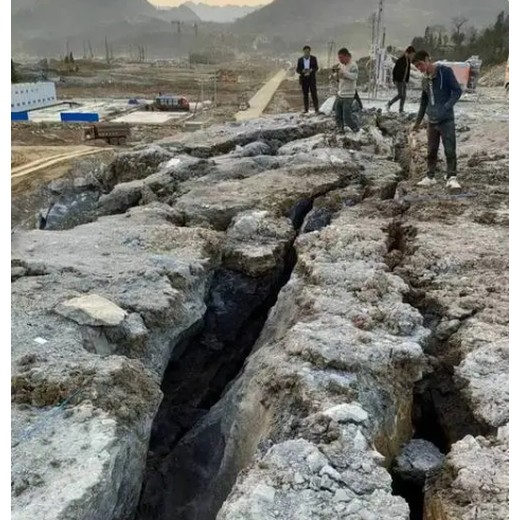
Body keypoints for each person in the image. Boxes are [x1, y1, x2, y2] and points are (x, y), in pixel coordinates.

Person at [411, 50, 463, 189]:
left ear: (428, 59)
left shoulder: (444, 72)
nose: (420, 68)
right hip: (432, 121)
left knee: (450, 149)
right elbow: (424, 102)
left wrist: (446, 107)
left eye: (420, 64)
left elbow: (457, 91)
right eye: (417, 67)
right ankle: (430, 176)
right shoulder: (425, 80)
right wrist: (417, 122)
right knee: (431, 150)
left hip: (446, 120)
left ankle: (452, 177)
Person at [331, 48, 360, 133]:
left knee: (346, 117)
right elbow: (338, 76)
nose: (340, 59)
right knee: (337, 115)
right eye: (339, 58)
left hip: (348, 95)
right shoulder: (341, 65)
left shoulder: (353, 65)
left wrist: (344, 73)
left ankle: (355, 128)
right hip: (340, 93)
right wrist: (334, 75)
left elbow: (354, 77)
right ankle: (340, 129)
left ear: (346, 56)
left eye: (341, 57)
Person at [387, 46, 415, 113]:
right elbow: (395, 70)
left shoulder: (408, 60)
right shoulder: (401, 60)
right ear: (408, 53)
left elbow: (407, 71)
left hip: (404, 81)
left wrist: (406, 80)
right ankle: (389, 103)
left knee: (404, 96)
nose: (412, 56)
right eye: (412, 54)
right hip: (398, 80)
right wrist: (394, 79)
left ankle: (401, 109)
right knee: (400, 94)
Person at [296, 45, 320, 114]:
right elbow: (297, 70)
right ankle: (306, 109)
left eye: (308, 51)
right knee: (305, 95)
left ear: (310, 51)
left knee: (314, 94)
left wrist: (311, 70)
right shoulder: (300, 60)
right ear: (303, 52)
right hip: (304, 79)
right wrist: (302, 71)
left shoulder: (313, 58)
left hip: (311, 78)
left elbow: (316, 67)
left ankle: (316, 109)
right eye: (305, 51)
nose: (307, 53)